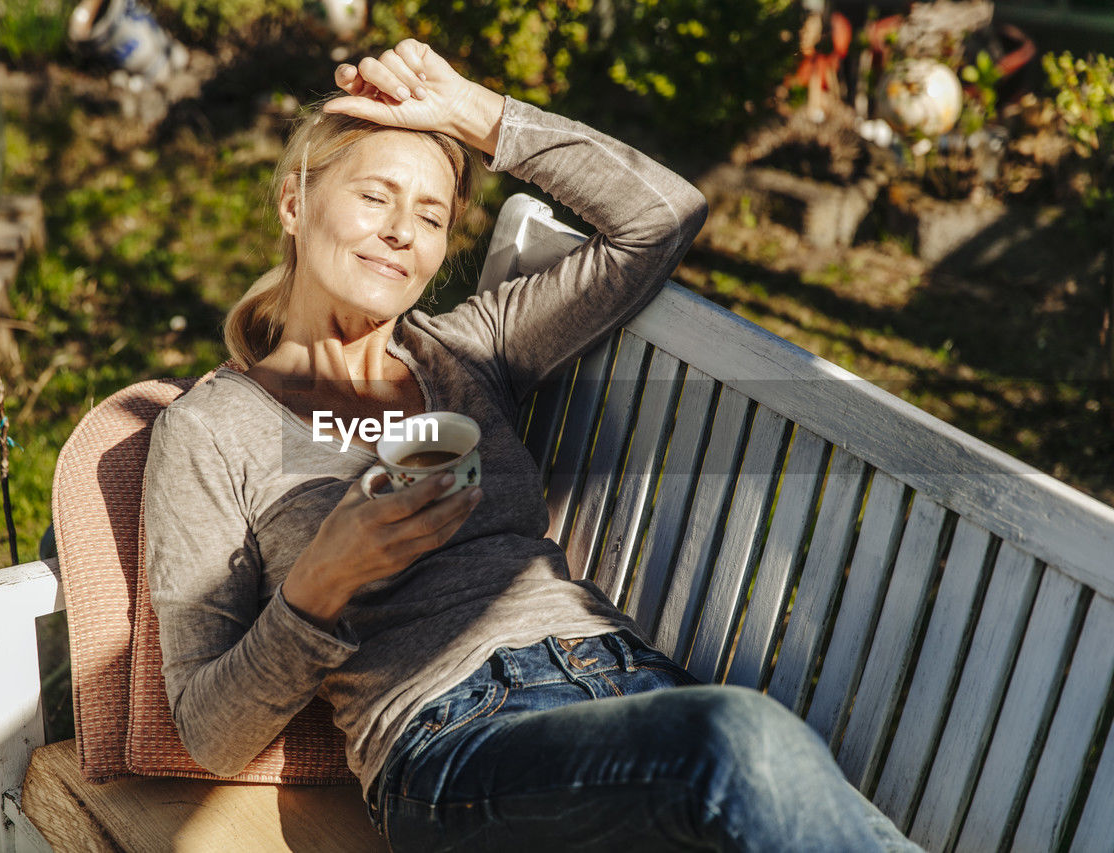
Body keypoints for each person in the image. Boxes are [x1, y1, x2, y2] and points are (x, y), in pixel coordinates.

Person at [142, 39, 922, 852]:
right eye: (375, 197)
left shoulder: (469, 349)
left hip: (625, 691)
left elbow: (662, 217)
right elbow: (207, 729)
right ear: (295, 205)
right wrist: (321, 580)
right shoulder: (208, 429)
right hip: (455, 743)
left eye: (433, 215)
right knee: (742, 742)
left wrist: (475, 112)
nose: (403, 233)